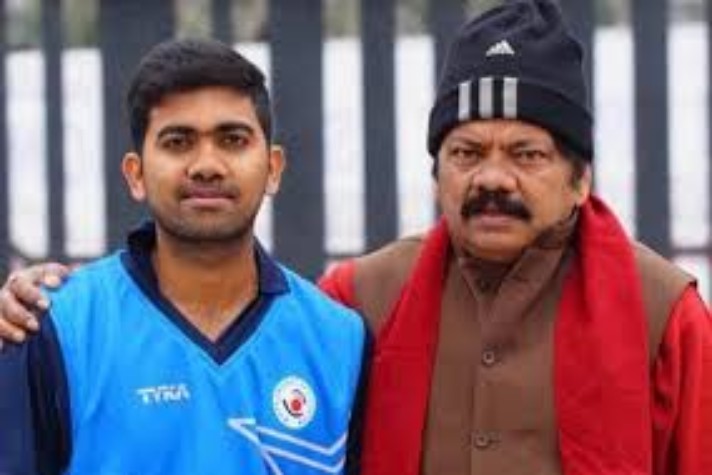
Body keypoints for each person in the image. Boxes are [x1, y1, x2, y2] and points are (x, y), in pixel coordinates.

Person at [1, 1, 711, 474]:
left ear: (581, 179)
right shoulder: (362, 302)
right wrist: (27, 305)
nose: (493, 178)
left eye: (527, 154)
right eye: (466, 152)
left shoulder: (664, 315)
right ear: (436, 172)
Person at [0, 38, 368, 475]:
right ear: (136, 175)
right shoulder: (55, 328)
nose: (207, 165)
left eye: (233, 140)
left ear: (273, 169)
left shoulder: (340, 340)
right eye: (178, 142)